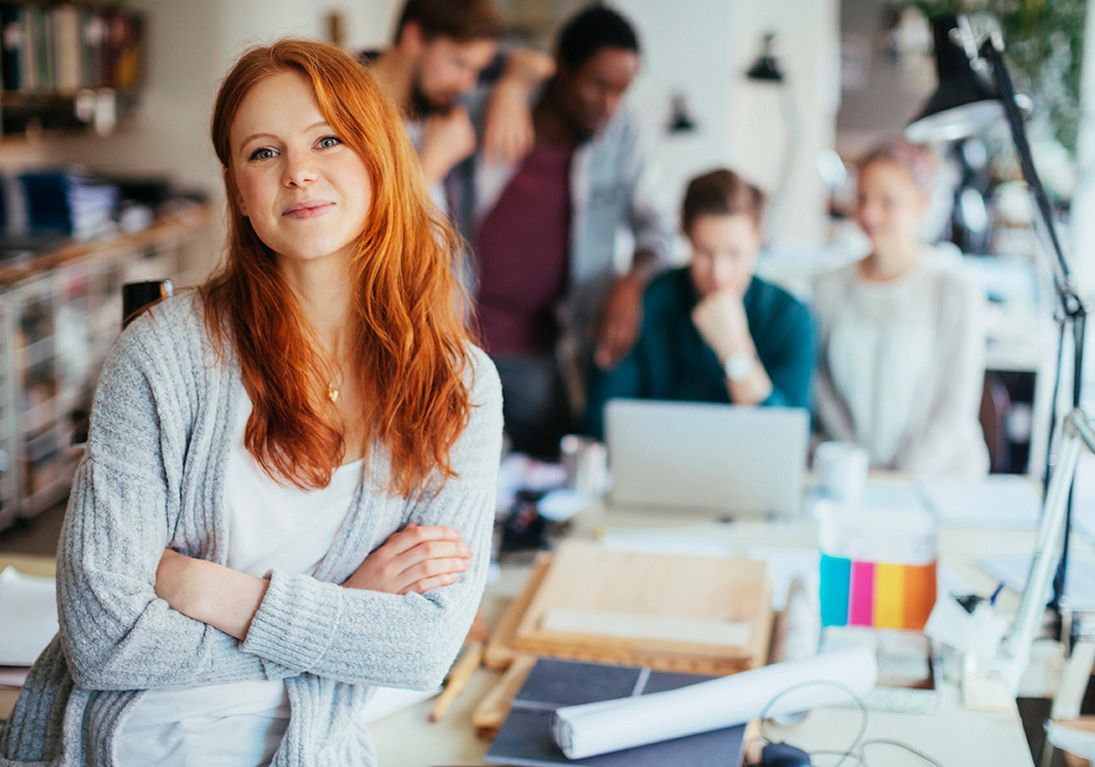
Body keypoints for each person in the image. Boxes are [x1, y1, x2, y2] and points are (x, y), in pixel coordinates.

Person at [0, 39, 502, 765]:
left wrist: (208, 587)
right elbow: (104, 639)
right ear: (238, 188)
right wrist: (344, 607)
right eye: (262, 153)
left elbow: (422, 648)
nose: (298, 172)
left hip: (312, 747)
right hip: (122, 744)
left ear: (379, 158)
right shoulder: (163, 355)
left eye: (327, 140)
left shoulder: (459, 386)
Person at [456, 5, 673, 457]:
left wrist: (632, 283)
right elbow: (458, 58)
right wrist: (513, 82)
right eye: (597, 85)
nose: (608, 104)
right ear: (561, 68)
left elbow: (658, 231)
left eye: (621, 91)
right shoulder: (486, 108)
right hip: (454, 337)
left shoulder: (623, 134)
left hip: (541, 351)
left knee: (546, 469)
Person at [585, 169, 816, 438]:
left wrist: (735, 354)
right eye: (705, 252)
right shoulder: (645, 304)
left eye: (734, 254)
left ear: (758, 240)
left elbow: (787, 440)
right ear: (686, 236)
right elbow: (601, 424)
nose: (718, 273)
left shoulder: (791, 318)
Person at [813, 139, 988, 476]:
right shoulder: (827, 287)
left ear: (921, 204)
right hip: (859, 479)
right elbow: (822, 389)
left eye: (887, 202)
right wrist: (860, 465)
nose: (869, 213)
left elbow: (954, 407)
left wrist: (901, 478)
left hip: (942, 480)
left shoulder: (954, 288)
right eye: (862, 198)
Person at [363, 0, 553, 201]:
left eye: (477, 70)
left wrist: (511, 89)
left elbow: (539, 64)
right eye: (460, 64)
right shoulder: (342, 106)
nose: (467, 85)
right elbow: (368, 225)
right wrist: (430, 166)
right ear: (414, 37)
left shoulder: (441, 101)